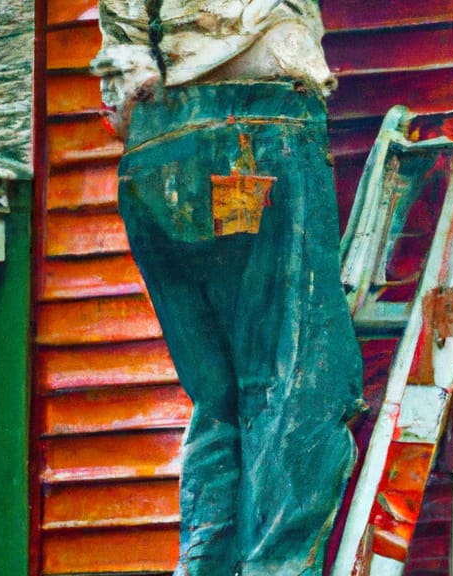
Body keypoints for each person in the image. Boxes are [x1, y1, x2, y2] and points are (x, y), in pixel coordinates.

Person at [92, 2, 365, 575]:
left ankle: (203, 566)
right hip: (258, 130)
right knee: (293, 385)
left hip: (156, 151)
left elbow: (121, 37)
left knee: (217, 398)